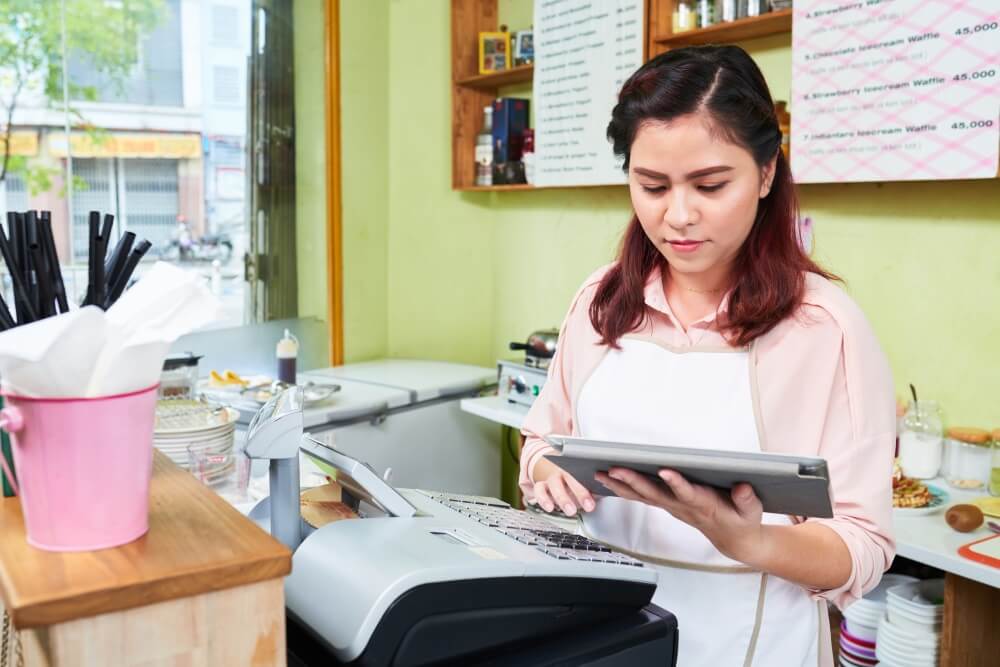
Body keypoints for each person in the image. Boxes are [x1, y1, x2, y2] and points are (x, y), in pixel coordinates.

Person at [518, 45, 895, 667]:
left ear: (767, 173)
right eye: (652, 186)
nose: (678, 216)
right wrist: (544, 474)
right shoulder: (602, 299)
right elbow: (540, 442)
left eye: (711, 184)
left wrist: (747, 539)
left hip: (753, 643)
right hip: (601, 633)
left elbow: (866, 547)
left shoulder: (825, 328)